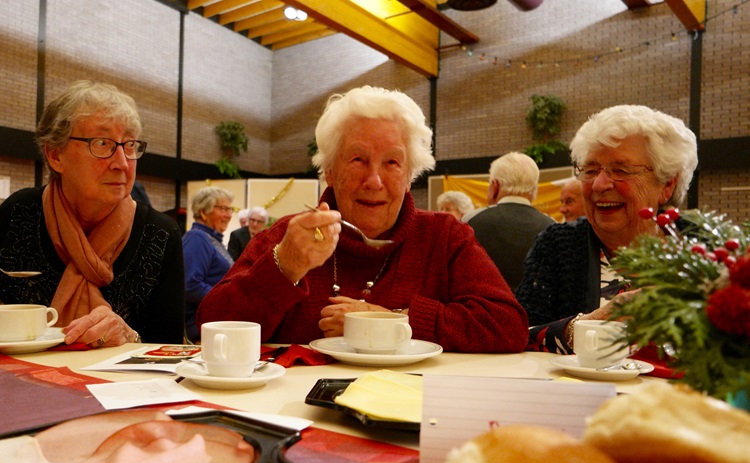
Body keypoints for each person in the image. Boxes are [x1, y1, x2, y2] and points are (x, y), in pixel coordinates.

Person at [197, 86, 528, 353]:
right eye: (357, 159)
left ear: (410, 173)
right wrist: (284, 267)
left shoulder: (444, 236)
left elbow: (508, 326)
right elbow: (209, 328)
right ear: (329, 170)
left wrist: (393, 322)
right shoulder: (289, 236)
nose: (374, 181)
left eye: (392, 162)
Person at [0, 80, 184, 347]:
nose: (122, 163)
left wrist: (130, 337)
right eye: (102, 143)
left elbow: (170, 348)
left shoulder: (160, 234)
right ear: (55, 155)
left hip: (121, 386)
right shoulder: (19, 214)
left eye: (130, 145)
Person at [516, 104, 698, 353]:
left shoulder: (706, 246)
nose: (600, 184)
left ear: (667, 184)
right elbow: (516, 334)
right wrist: (586, 326)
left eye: (621, 170)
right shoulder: (558, 245)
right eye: (590, 170)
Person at [466, 152, 556, 291]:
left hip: (486, 309)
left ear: (494, 186)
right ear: (534, 190)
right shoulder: (553, 226)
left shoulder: (471, 221)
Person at [183, 186, 236, 342]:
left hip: (214, 326)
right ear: (203, 212)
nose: (228, 215)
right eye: (222, 209)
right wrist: (225, 299)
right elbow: (189, 285)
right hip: (202, 329)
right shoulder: (197, 238)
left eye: (229, 209)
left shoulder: (211, 239)